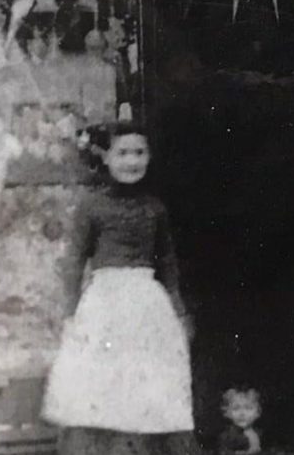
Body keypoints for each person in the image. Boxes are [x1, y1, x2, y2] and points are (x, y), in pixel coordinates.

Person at [41, 122, 195, 455]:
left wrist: (179, 310)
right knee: (104, 386)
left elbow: (167, 264)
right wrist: (69, 313)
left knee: (144, 385)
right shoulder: (92, 206)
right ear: (106, 158)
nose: (132, 161)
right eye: (123, 153)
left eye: (139, 153)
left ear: (149, 157)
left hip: (146, 300)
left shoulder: (155, 208)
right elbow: (74, 262)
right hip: (106, 301)